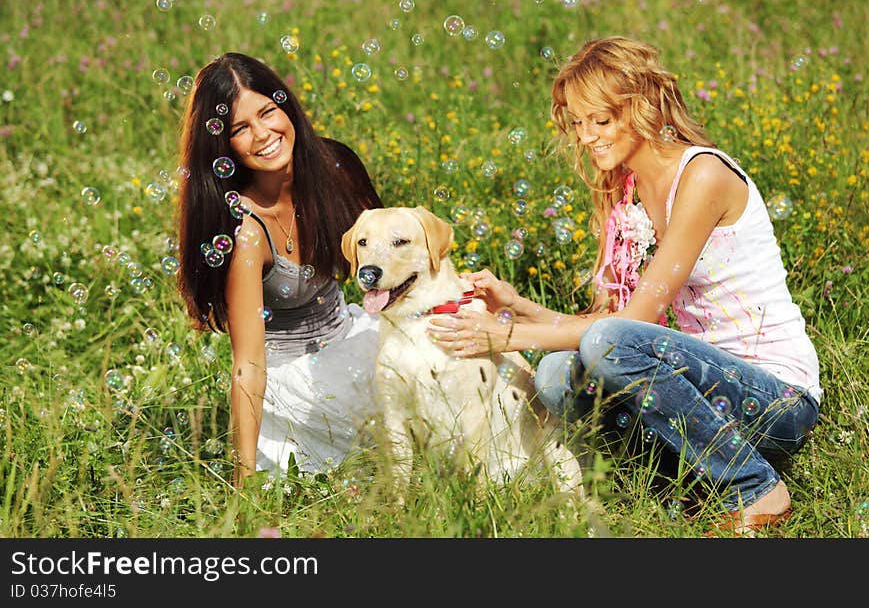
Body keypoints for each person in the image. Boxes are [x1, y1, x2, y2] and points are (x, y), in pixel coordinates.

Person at [428, 36, 821, 535]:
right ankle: (682, 488)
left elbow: (624, 329)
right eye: (577, 122)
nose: (587, 136)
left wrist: (505, 336)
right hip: (707, 395)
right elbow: (612, 326)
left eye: (601, 120)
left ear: (640, 108)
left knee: (601, 345)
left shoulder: (702, 175)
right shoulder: (627, 190)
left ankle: (756, 489)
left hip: (775, 399)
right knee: (555, 375)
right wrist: (518, 307)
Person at [176, 52, 383, 487]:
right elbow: (248, 363)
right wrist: (243, 481)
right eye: (239, 129)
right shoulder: (247, 233)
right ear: (223, 147)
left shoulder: (336, 168)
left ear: (286, 105)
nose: (263, 134)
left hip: (352, 335)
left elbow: (391, 264)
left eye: (267, 112)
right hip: (298, 380)